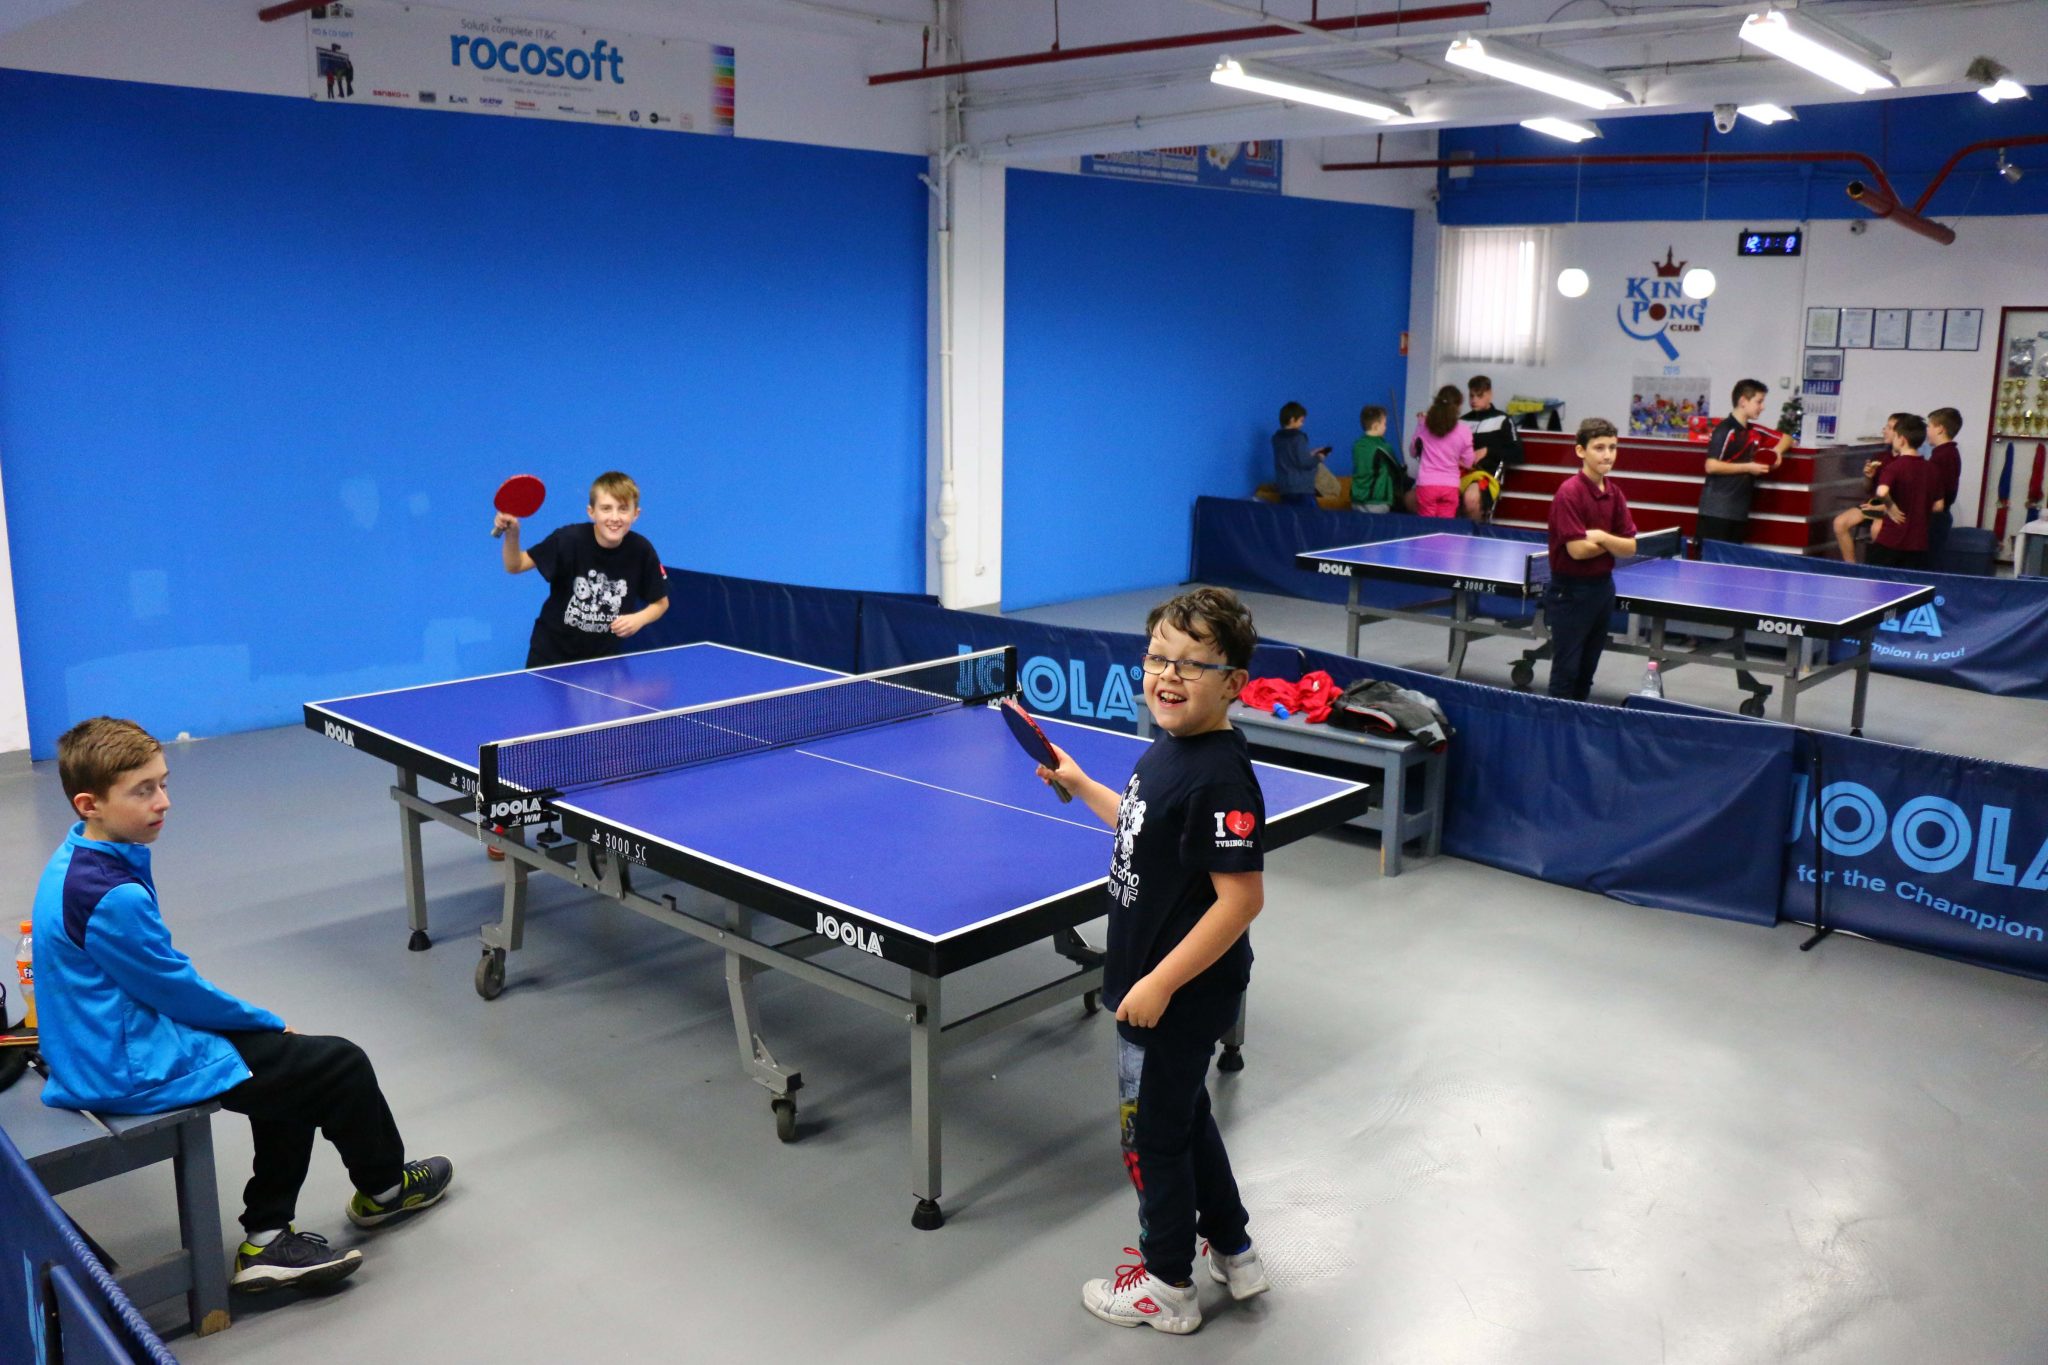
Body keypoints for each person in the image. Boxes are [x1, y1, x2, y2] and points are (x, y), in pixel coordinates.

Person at [32, 718, 454, 1295]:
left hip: (99, 1042)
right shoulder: (113, 896)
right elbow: (174, 988)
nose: (164, 801)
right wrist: (267, 1020)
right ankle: (383, 1192)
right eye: (143, 790)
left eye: (163, 783)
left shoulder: (77, 857)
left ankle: (268, 1237)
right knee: (337, 1063)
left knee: (293, 1069)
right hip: (121, 1064)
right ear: (91, 804)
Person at [1034, 588, 1270, 1336]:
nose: (1168, 675)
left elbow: (1241, 900)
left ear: (1233, 682)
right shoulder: (1173, 748)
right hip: (1163, 985)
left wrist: (1160, 983)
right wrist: (1082, 786)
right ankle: (1233, 1249)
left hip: (1175, 993)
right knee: (1185, 1115)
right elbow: (1143, 828)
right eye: (1158, 658)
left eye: (1192, 664)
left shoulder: (1219, 776)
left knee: (1152, 1139)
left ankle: (1167, 1285)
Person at [497, 470, 670, 669]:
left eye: (623, 509)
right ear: (591, 512)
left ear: (635, 514)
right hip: (551, 656)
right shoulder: (568, 540)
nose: (615, 517)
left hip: (602, 660)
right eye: (606, 508)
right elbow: (515, 565)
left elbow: (661, 603)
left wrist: (639, 619)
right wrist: (512, 535)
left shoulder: (641, 550)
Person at [1544, 418, 1638, 701]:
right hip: (1570, 592)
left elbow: (1631, 547)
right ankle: (1556, 723)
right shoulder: (1569, 493)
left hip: (1603, 589)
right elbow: (1577, 551)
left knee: (1587, 671)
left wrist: (1600, 536)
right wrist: (1613, 542)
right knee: (1567, 672)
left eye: (1612, 447)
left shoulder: (1614, 493)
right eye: (1599, 448)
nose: (1607, 455)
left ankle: (1578, 719)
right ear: (1580, 451)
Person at [1695, 378, 1790, 545]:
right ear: (1743, 401)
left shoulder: (1755, 431)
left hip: (1738, 512)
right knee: (1711, 560)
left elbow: (1787, 438)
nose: (1762, 407)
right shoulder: (1724, 430)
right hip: (1716, 510)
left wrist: (1776, 452)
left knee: (1732, 559)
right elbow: (1711, 466)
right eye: (1759, 401)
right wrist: (1749, 467)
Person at [1832, 413, 1913, 563]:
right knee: (1839, 523)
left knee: (1877, 530)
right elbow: (1867, 488)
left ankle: (1876, 568)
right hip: (1874, 503)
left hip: (1892, 507)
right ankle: (1851, 567)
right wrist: (1868, 476)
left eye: (1889, 428)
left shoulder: (1907, 461)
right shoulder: (1880, 456)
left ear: (1900, 434)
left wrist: (1882, 507)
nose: (1884, 431)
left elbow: (1904, 497)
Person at [1866, 413, 1938, 570]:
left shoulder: (1894, 467)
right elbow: (1938, 505)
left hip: (1891, 541)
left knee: (1876, 582)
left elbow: (1882, 491)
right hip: (1918, 544)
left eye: (1895, 435)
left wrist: (1891, 506)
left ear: (1902, 439)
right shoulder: (1932, 468)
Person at [1460, 375, 1522, 523]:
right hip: (1456, 472)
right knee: (1411, 498)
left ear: (1490, 394)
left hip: (1484, 475)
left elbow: (1518, 453)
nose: (1474, 400)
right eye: (1471, 396)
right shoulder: (1461, 421)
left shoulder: (1503, 420)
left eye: (1479, 395)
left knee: (1471, 498)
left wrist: (1488, 451)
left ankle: (1474, 534)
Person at [1414, 385, 1475, 519]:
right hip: (1450, 485)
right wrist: (1457, 459)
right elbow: (1469, 462)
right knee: (1445, 527)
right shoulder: (1464, 430)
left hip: (1427, 484)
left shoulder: (1424, 424)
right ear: (1458, 406)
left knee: (1426, 526)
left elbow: (1413, 451)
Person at [1349, 405, 1409, 513]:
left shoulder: (1357, 445)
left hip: (1356, 499)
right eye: (1384, 424)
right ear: (1376, 426)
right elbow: (1396, 470)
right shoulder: (1383, 447)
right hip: (1376, 500)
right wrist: (1403, 469)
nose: (1385, 427)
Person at [1270, 402, 1331, 508]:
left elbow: (1290, 457)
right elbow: (1305, 463)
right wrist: (1319, 457)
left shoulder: (1276, 439)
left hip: (1284, 488)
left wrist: (1310, 453)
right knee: (1311, 517)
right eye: (1301, 421)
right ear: (1292, 420)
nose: (1302, 424)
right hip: (1301, 488)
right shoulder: (1299, 437)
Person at [1926, 407, 1964, 561]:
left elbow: (1939, 491)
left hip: (1936, 518)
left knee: (1929, 561)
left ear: (1940, 429)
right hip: (1938, 516)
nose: (1927, 431)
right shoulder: (1946, 453)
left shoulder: (1943, 456)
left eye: (1929, 426)